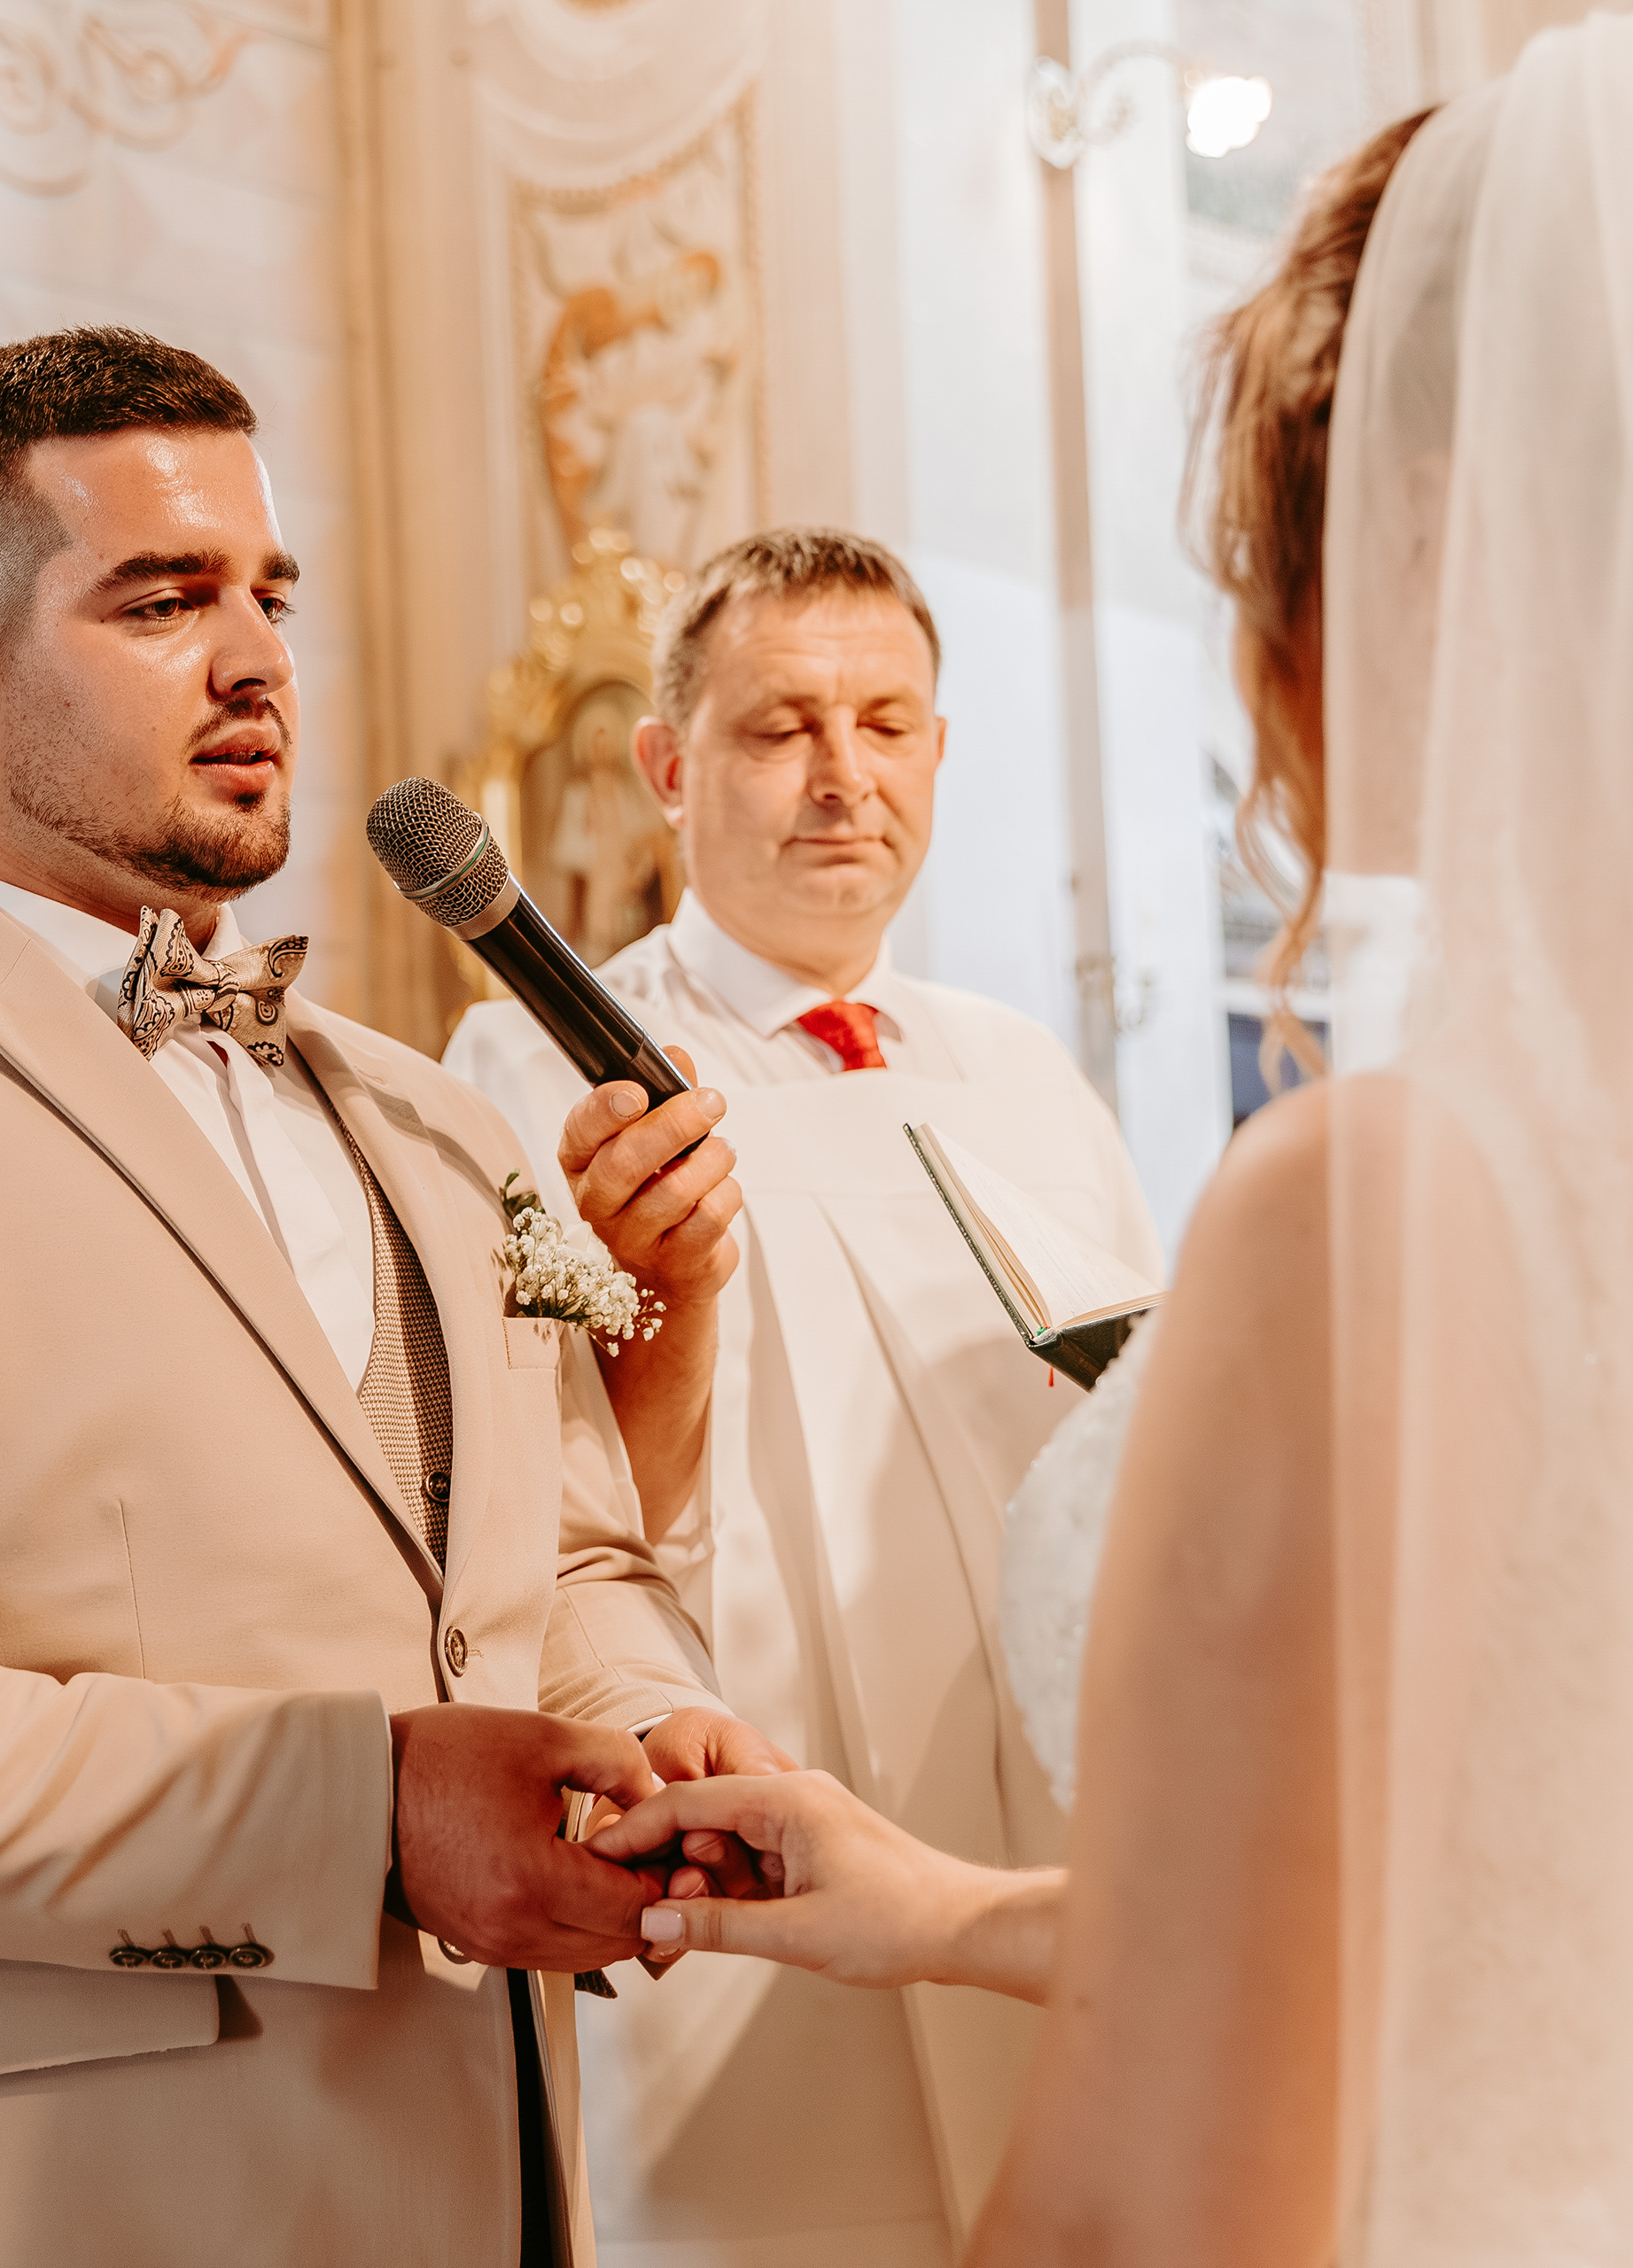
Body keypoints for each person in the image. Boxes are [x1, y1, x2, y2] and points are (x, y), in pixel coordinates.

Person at [593, 12, 1633, 2261]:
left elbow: (1148, 2222)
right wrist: (946, 1903)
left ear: (1417, 573)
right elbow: (1568, 1927)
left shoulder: (1398, 1214)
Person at [0, 327, 776, 2268]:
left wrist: (652, 1723)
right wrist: (357, 1807)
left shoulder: (435, 1120)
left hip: (479, 2172)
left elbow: (556, 1572)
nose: (257, 658)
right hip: (31, 2200)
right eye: (162, 600)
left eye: (271, 594)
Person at [447, 527, 1158, 2264]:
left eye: (888, 723)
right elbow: (527, 1512)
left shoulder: (1025, 1069)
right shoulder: (529, 1064)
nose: (846, 775)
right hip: (759, 1796)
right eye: (781, 728)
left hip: (1049, 1813)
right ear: (666, 766)